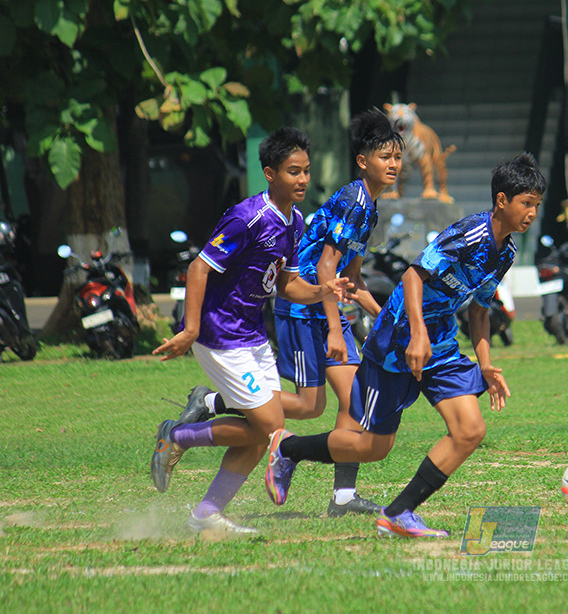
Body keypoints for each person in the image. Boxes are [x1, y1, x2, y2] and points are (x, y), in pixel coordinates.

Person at [262, 152, 546, 538]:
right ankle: (288, 449)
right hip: (397, 337)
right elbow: (413, 276)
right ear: (501, 201)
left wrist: (485, 364)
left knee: (469, 430)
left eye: (536, 205)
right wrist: (417, 333)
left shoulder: (507, 253)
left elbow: (480, 311)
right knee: (373, 447)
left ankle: (398, 512)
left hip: (440, 341)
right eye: (525, 203)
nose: (531, 213)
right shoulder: (470, 234)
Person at [175, 109, 402, 518]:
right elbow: (324, 269)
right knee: (301, 411)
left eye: (397, 158)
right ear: (363, 161)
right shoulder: (350, 201)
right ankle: (212, 415)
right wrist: (336, 326)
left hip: (317, 304)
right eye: (385, 157)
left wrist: (389, 319)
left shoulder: (362, 210)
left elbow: (349, 278)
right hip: (303, 312)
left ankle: (341, 497)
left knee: (332, 404)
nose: (394, 165)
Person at [150, 127, 349, 535]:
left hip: (253, 336)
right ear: (269, 173)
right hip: (220, 335)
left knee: (261, 436)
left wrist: (321, 290)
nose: (304, 180)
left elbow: (288, 285)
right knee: (271, 428)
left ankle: (205, 514)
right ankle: (179, 435)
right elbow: (199, 267)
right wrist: (190, 329)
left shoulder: (294, 222)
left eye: (307, 171)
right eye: (294, 172)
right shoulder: (247, 217)